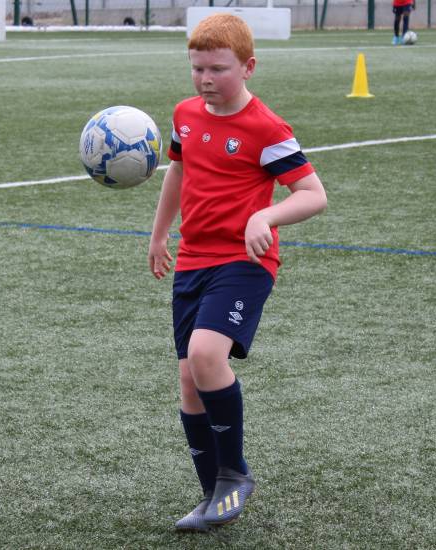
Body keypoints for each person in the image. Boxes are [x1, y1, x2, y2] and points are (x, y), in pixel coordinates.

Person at [147, 13, 327, 531]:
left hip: (245, 262)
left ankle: (235, 474)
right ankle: (212, 497)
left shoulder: (266, 129)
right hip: (193, 259)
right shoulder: (185, 115)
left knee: (206, 354)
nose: (206, 79)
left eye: (218, 69)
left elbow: (314, 195)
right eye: (198, 68)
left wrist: (264, 215)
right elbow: (178, 171)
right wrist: (160, 234)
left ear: (248, 67)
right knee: (188, 382)